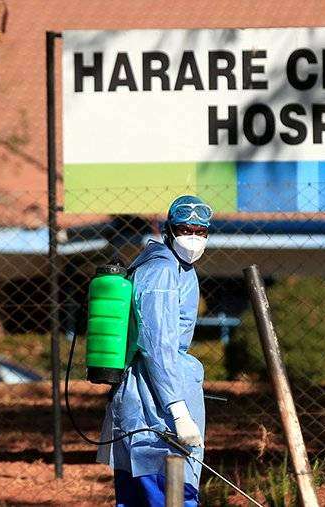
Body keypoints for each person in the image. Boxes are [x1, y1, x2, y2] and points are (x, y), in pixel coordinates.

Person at [97, 195, 212, 507]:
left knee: (140, 497)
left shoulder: (177, 268)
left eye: (201, 231)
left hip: (152, 398)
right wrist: (179, 410)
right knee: (171, 494)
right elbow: (157, 345)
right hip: (153, 404)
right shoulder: (161, 271)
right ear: (169, 230)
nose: (194, 238)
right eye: (186, 230)